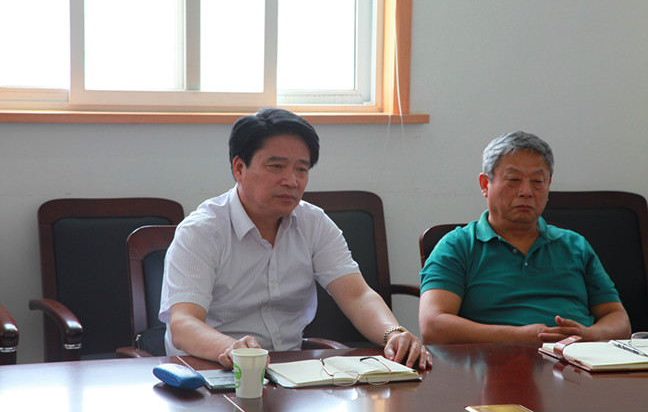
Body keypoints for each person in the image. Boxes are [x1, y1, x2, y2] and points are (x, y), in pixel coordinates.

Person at [160, 107, 432, 370]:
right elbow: (183, 324)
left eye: (301, 169)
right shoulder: (201, 231)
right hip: (208, 370)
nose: (291, 180)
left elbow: (357, 295)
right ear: (239, 168)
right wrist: (232, 348)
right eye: (276, 166)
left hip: (289, 370)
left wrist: (393, 333)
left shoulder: (314, 223)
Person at [419, 131, 631, 344]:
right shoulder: (457, 246)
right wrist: (520, 337)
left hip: (577, 358)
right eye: (513, 180)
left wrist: (588, 335)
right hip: (493, 359)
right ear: (485, 184)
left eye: (538, 181)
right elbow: (432, 326)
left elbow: (618, 319)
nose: (526, 191)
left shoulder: (575, 245)